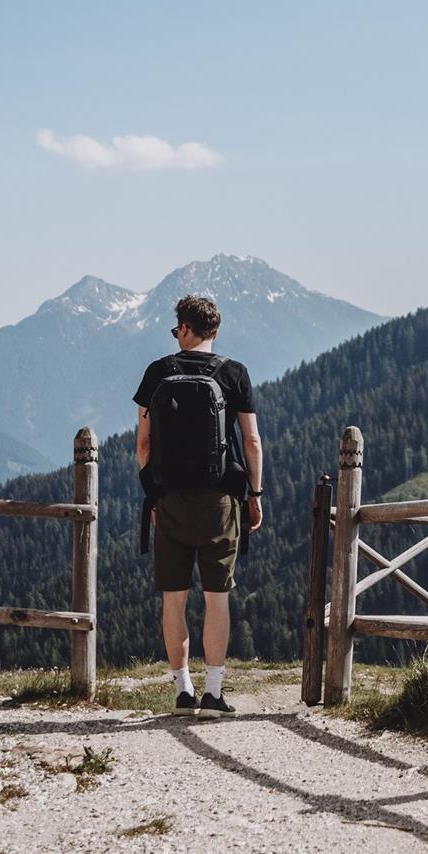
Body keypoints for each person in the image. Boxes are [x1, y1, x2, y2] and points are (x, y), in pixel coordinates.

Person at [133, 294, 263, 718]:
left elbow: (144, 445)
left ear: (185, 329)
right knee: (217, 597)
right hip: (221, 500)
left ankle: (182, 691)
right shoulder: (235, 373)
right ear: (215, 332)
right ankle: (214, 693)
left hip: (170, 500)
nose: (176, 335)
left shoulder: (157, 373)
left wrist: (155, 494)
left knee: (174, 598)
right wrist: (255, 497)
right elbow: (252, 442)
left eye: (176, 329)